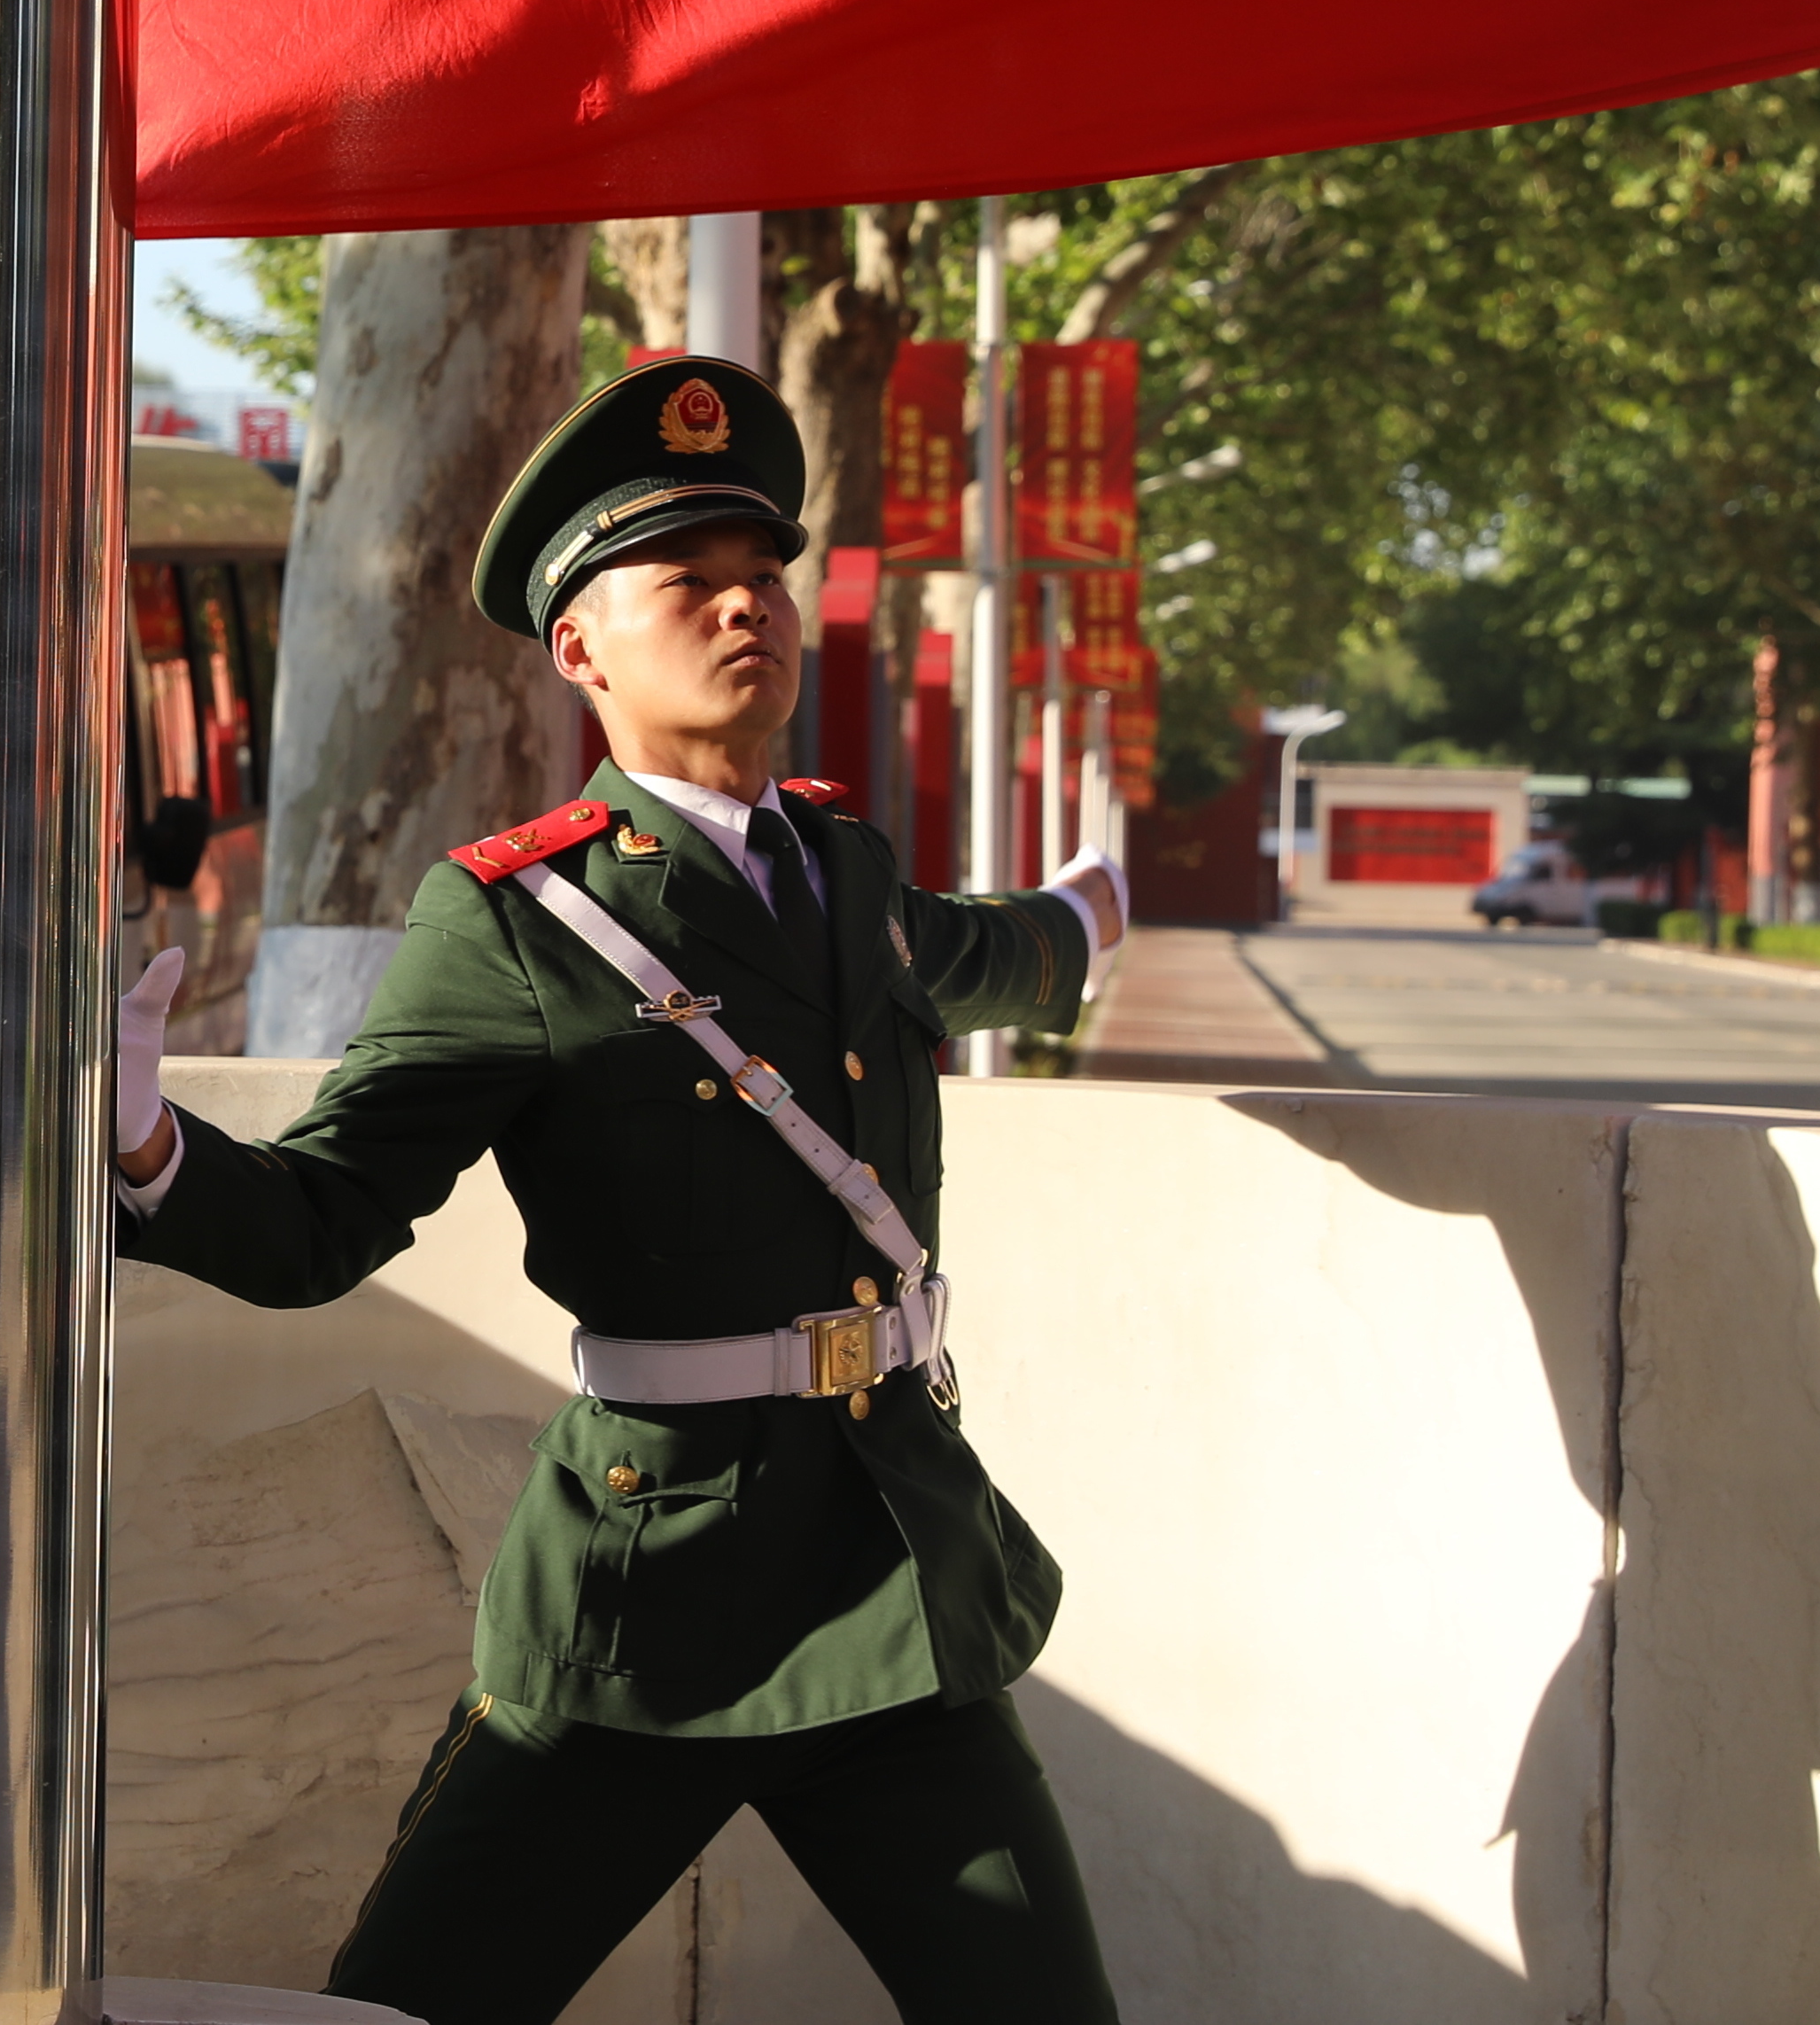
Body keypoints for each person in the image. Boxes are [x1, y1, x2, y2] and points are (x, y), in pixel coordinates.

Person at [106, 351, 1127, 2025]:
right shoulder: (518, 918)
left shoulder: (842, 866)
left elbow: (979, 957)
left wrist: (1091, 918)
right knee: (409, 2010)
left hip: (885, 1562)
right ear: (581, 647)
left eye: (763, 582)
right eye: (689, 587)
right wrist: (151, 1150)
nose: (748, 614)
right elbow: (321, 1222)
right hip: (650, 1603)